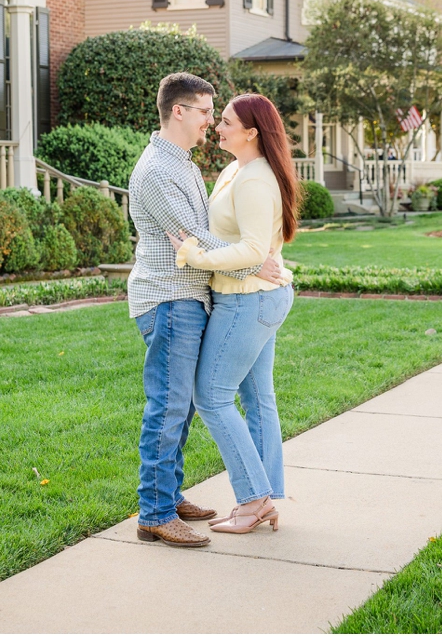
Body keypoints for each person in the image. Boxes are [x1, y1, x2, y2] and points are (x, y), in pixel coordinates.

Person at [127, 73, 286, 549]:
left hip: (193, 295)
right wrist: (257, 265)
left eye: (217, 117)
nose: (210, 125)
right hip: (170, 297)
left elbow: (205, 232)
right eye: (204, 113)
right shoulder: (157, 171)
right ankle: (154, 512)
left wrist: (254, 264)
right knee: (170, 405)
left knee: (185, 405)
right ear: (179, 111)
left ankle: (169, 496)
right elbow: (194, 240)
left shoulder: (185, 164)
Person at [169, 93, 299, 535]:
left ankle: (252, 500)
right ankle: (265, 497)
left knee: (212, 396)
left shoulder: (255, 179)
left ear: (251, 132)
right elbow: (243, 244)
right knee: (258, 399)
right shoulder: (234, 171)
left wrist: (190, 254)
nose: (216, 127)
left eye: (224, 121)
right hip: (256, 295)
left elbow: (252, 250)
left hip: (248, 300)